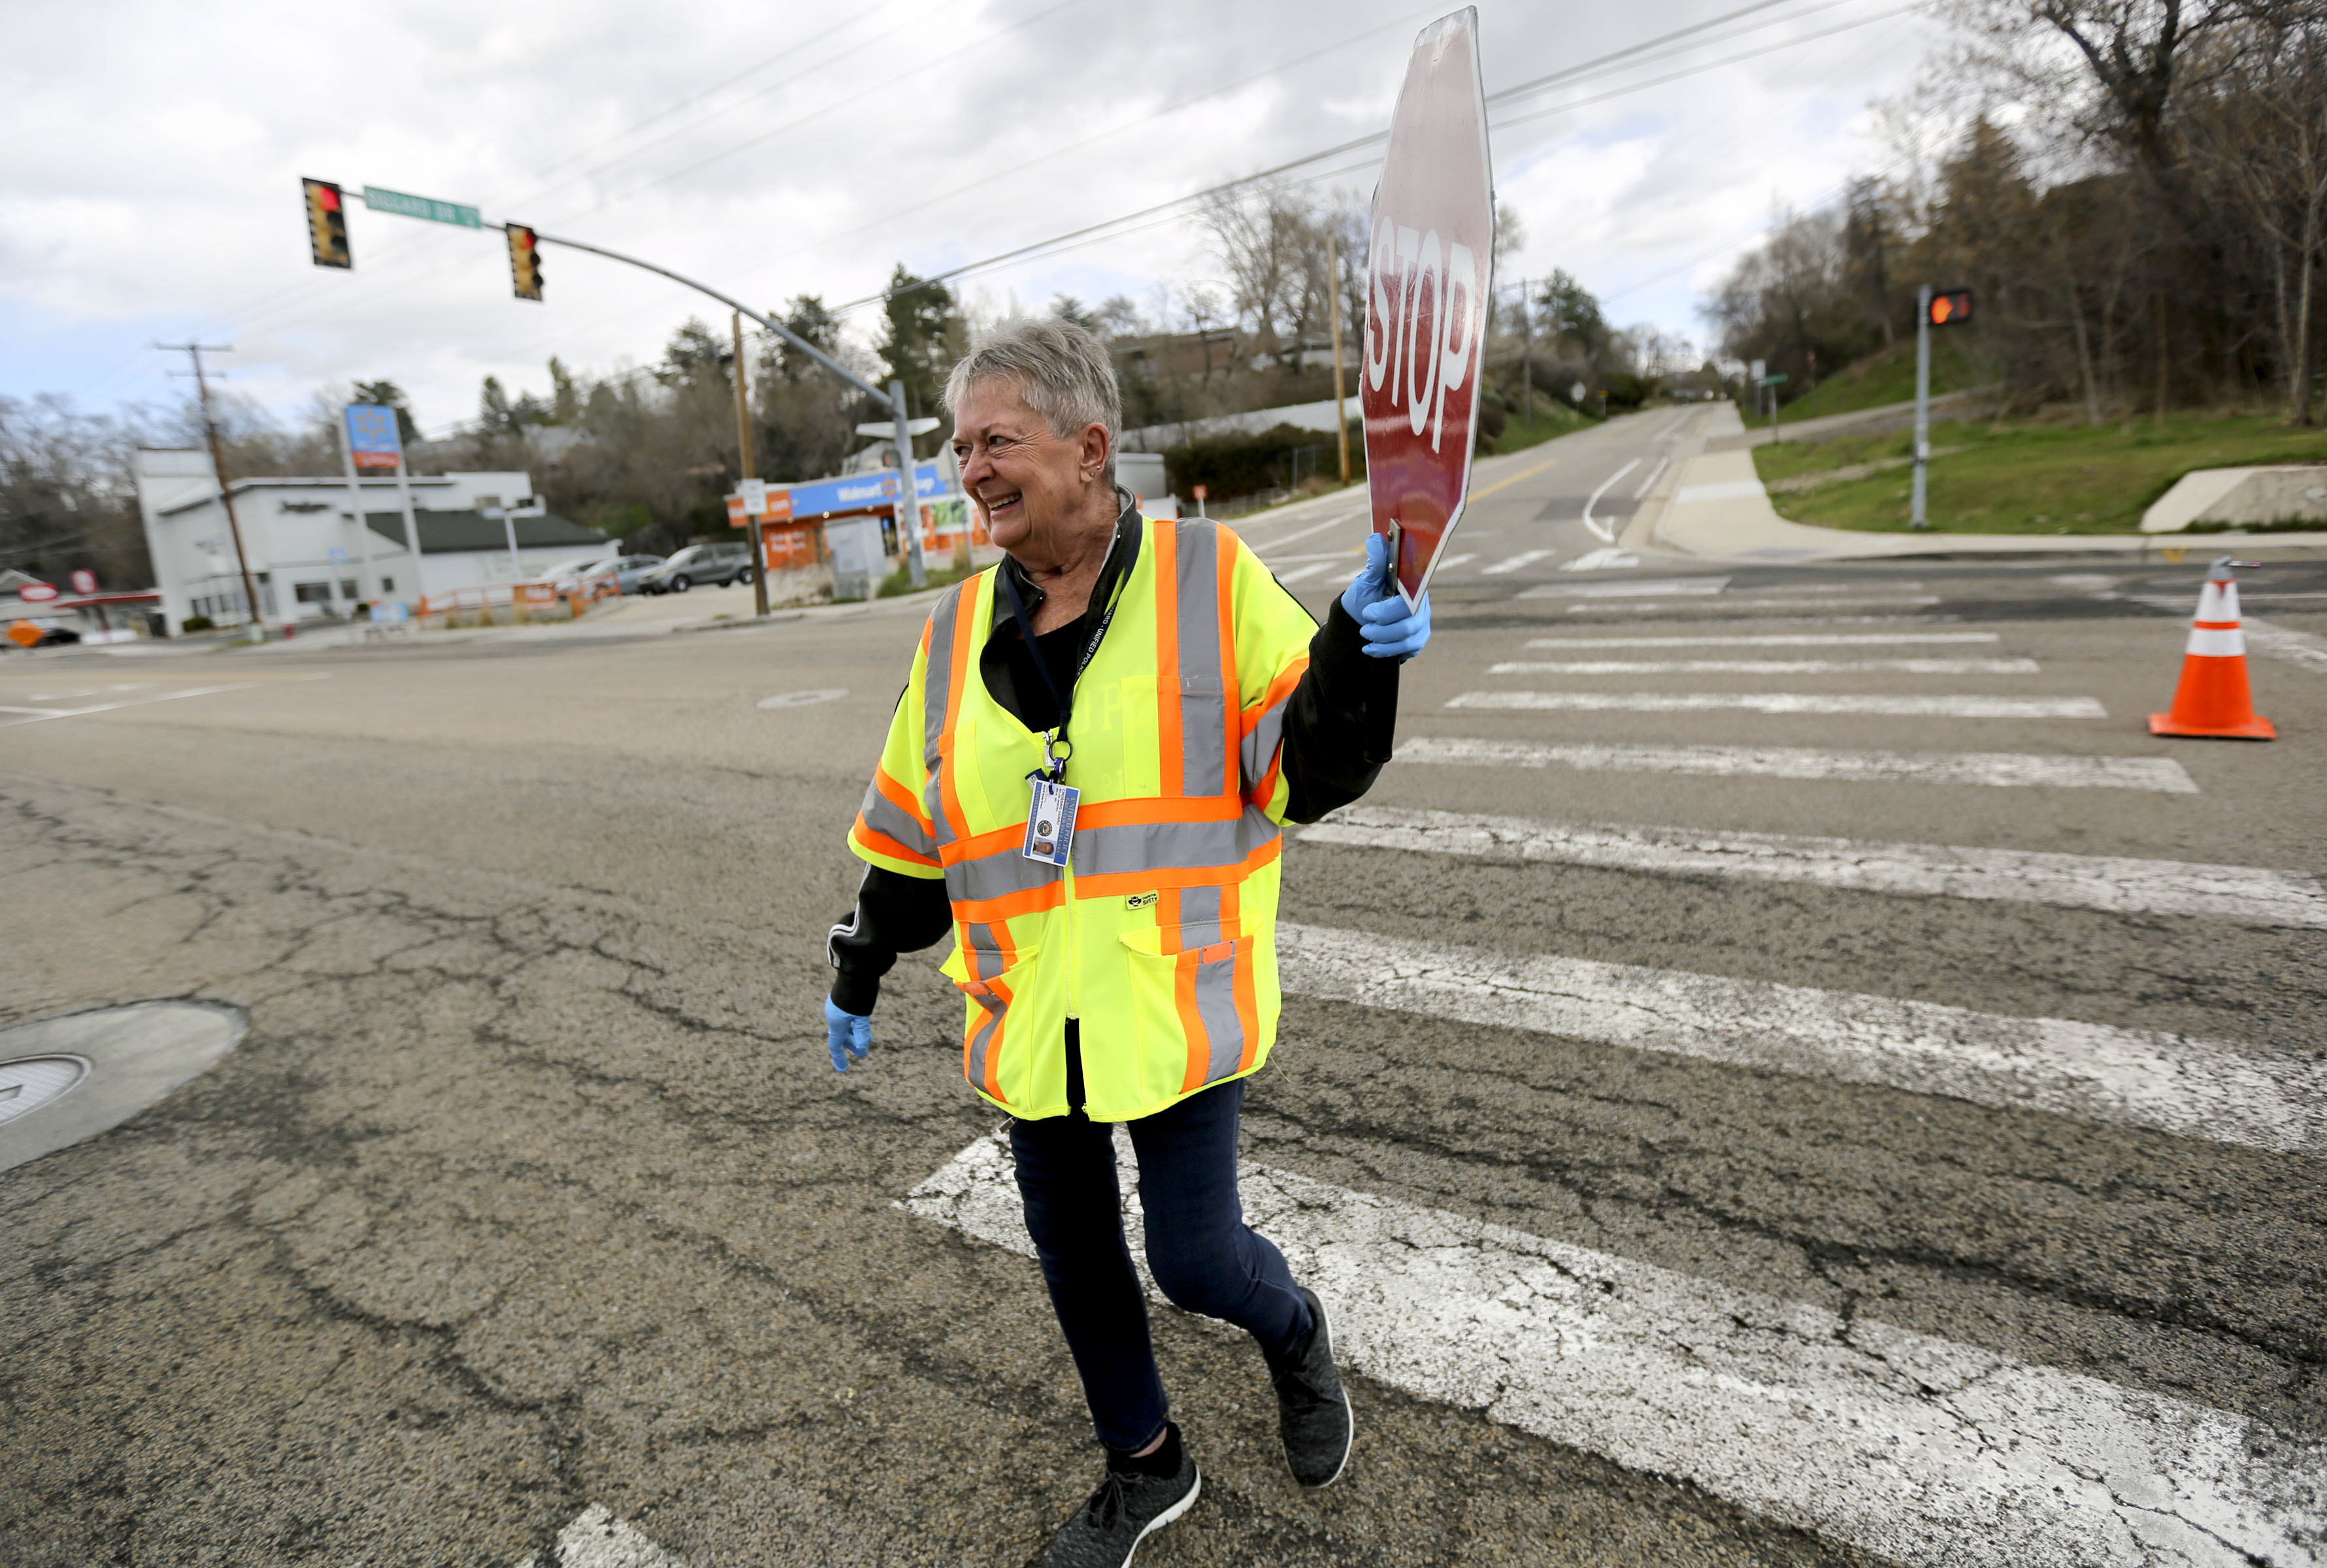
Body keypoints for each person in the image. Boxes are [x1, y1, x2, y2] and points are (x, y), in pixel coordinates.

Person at [823, 318, 1429, 1567]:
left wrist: (1356, 662)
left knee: (1196, 1260)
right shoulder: (949, 637)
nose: (970, 468)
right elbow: (912, 833)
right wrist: (860, 959)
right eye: (958, 447)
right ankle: (1146, 1465)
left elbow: (1300, 770)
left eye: (997, 441)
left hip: (1171, 1000)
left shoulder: (1207, 575)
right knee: (1078, 1263)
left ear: (1089, 448)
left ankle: (1295, 1337)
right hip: (1029, 1016)